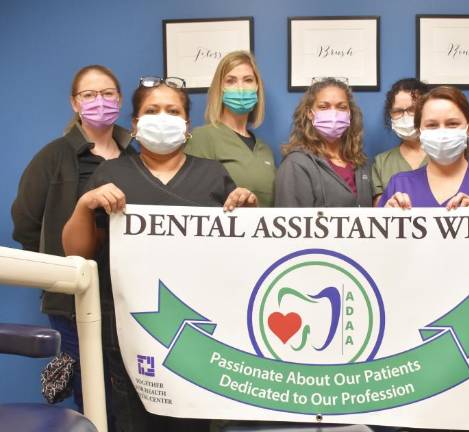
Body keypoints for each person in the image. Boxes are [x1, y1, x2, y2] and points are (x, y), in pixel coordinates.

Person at [62, 76, 257, 432]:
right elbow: (77, 253)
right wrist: (84, 205)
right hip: (130, 336)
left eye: (173, 111)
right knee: (134, 422)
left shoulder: (212, 175)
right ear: (135, 125)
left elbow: (240, 260)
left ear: (186, 125)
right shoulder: (112, 173)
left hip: (198, 336)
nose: (162, 117)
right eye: (152, 111)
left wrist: (245, 213)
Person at [11, 64, 133, 413]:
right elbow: (25, 222)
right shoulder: (55, 155)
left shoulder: (134, 154)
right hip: (72, 296)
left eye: (108, 93)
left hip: (125, 293)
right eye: (89, 95)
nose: (100, 101)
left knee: (125, 386)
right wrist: (56, 269)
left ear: (119, 99)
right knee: (90, 386)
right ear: (75, 103)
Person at [379, 86, 469, 209]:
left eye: (452, 124)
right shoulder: (400, 185)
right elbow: (376, 235)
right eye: (432, 125)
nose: (442, 133)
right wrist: (384, 220)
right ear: (419, 131)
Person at [185, 51, 276, 207]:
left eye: (248, 80)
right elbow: (190, 198)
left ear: (257, 88)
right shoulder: (202, 137)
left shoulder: (264, 149)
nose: (240, 88)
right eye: (231, 81)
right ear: (220, 89)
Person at [275, 77, 373, 207]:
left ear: (349, 113)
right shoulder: (296, 164)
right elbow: (289, 223)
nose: (333, 113)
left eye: (341, 107)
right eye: (323, 107)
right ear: (310, 113)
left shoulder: (361, 163)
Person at [372, 78, 430, 205]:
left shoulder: (444, 155)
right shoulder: (382, 163)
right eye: (398, 111)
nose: (406, 116)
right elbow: (379, 210)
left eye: (413, 109)